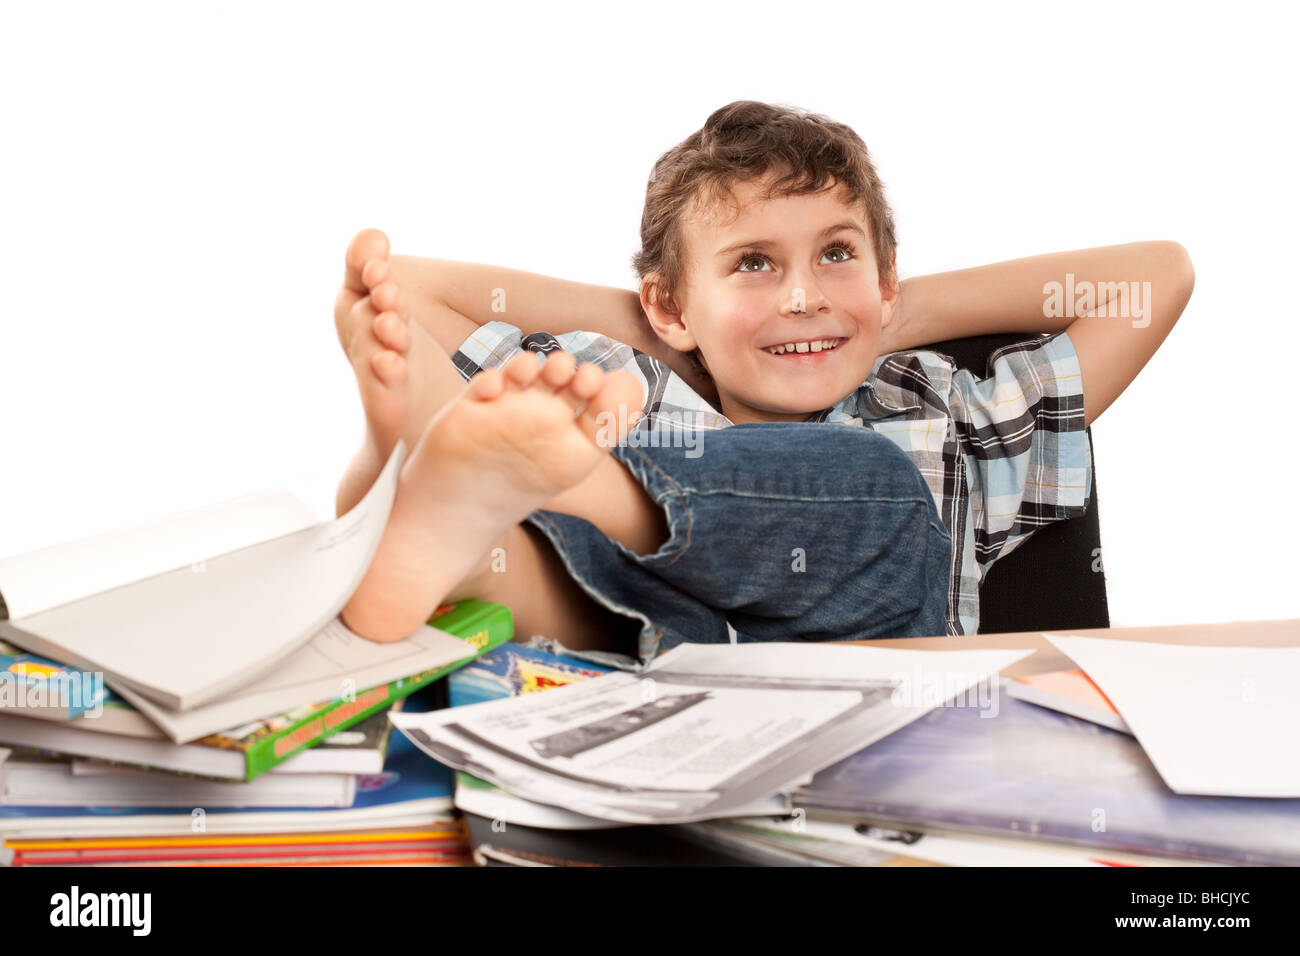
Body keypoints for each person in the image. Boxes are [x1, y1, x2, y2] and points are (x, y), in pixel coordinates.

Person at [332, 100, 1194, 668]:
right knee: (544, 559)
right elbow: (400, 292)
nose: (801, 295)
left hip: (876, 714)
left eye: (836, 254)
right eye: (753, 263)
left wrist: (879, 311)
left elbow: (1158, 279)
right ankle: (408, 510)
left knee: (875, 486)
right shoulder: (624, 382)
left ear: (885, 278)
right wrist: (668, 326)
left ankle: (561, 489)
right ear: (666, 306)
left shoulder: (940, 409)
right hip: (658, 692)